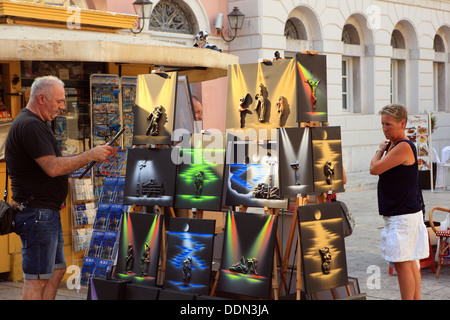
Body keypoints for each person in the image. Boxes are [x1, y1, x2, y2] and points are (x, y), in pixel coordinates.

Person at [5, 76, 113, 300]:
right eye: (59, 101)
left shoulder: (36, 123)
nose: (62, 107)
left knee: (55, 272)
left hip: (44, 213)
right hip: (37, 214)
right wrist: (90, 154)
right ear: (42, 98)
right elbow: (52, 167)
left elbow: (52, 164)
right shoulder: (31, 124)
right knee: (37, 278)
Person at [370, 103, 429, 300]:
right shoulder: (396, 145)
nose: (384, 128)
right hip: (405, 213)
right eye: (383, 124)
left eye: (389, 124)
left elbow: (375, 169)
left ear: (402, 123)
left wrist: (379, 150)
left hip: (402, 216)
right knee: (410, 262)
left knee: (403, 265)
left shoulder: (402, 146)